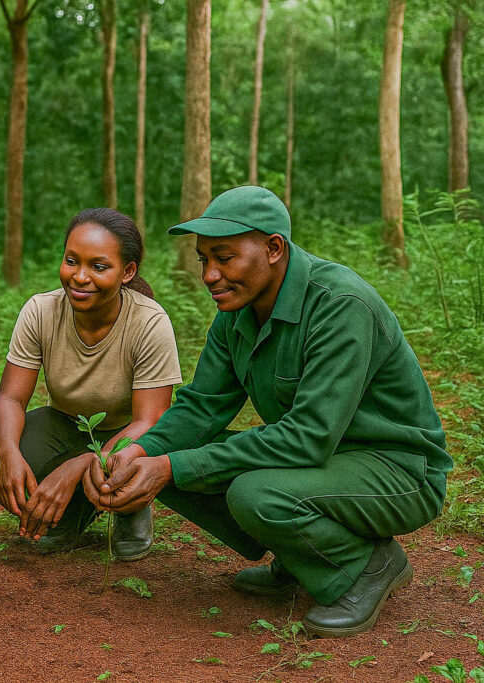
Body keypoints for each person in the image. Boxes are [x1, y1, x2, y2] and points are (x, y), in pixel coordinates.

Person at [84, 186, 452, 637]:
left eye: (225, 257)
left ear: (274, 248)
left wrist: (170, 465)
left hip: (398, 471)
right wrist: (138, 451)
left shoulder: (340, 305)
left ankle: (367, 565)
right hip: (324, 464)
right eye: (204, 259)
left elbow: (308, 436)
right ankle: (303, 559)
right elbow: (200, 409)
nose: (210, 275)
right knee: (162, 461)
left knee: (251, 492)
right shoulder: (235, 312)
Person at [0, 208, 182, 559]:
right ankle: (66, 519)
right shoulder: (41, 310)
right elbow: (10, 398)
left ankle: (130, 508)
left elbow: (150, 421)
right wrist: (9, 456)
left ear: (127, 272)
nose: (80, 277)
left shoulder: (149, 323)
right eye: (72, 261)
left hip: (127, 434)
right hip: (67, 423)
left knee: (124, 455)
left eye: (99, 266)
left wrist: (76, 467)